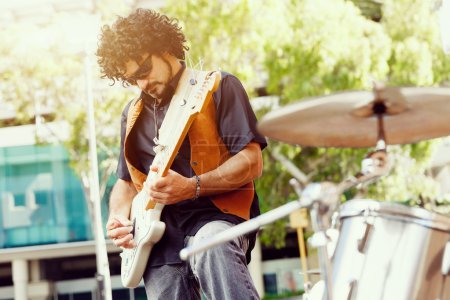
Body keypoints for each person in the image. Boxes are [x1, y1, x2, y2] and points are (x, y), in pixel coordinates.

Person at [96, 8, 267, 300]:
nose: (142, 85)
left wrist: (191, 187)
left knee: (212, 244)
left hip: (217, 218)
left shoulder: (218, 87)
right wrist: (118, 218)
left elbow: (252, 162)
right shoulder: (132, 115)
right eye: (132, 80)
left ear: (163, 48)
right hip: (158, 239)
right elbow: (125, 184)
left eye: (144, 72)